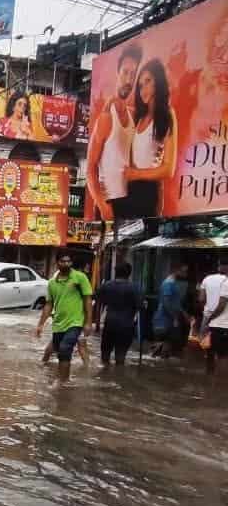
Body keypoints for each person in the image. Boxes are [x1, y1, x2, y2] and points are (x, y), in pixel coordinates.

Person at [87, 43, 141, 222]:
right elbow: (90, 169)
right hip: (108, 204)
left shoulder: (133, 115)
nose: (129, 79)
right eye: (125, 72)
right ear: (117, 74)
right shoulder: (106, 118)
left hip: (130, 202)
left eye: (133, 75)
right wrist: (101, 204)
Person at [120, 58, 177, 219]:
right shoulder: (138, 117)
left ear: (158, 82)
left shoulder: (167, 114)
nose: (143, 89)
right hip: (129, 189)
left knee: (144, 241)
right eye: (140, 85)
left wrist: (135, 174)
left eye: (148, 81)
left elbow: (169, 169)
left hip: (149, 192)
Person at [35, 251, 93, 381]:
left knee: (65, 348)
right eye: (63, 261)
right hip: (58, 323)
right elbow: (49, 304)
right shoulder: (52, 283)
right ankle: (62, 379)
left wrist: (88, 322)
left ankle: (62, 382)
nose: (66, 264)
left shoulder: (80, 277)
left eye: (69, 261)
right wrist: (40, 324)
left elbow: (88, 300)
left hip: (76, 322)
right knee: (59, 352)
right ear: (57, 264)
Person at [95, 260, 140, 365]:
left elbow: (97, 299)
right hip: (126, 326)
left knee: (105, 355)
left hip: (110, 323)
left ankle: (104, 375)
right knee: (120, 356)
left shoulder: (107, 286)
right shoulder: (135, 288)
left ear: (115, 272)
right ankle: (118, 376)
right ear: (129, 273)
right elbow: (140, 306)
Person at [151, 261, 190, 358]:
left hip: (168, 318)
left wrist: (183, 313)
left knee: (167, 343)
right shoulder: (168, 284)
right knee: (167, 342)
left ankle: (159, 362)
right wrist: (175, 317)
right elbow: (166, 302)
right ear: (176, 270)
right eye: (183, 271)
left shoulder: (172, 283)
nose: (185, 274)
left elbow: (174, 302)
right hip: (165, 319)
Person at [199, 256, 228, 375]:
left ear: (219, 265)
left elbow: (201, 299)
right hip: (222, 323)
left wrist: (207, 313)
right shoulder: (225, 282)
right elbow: (221, 305)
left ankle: (209, 378)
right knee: (223, 355)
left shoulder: (207, 279)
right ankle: (218, 385)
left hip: (208, 319)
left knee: (209, 351)